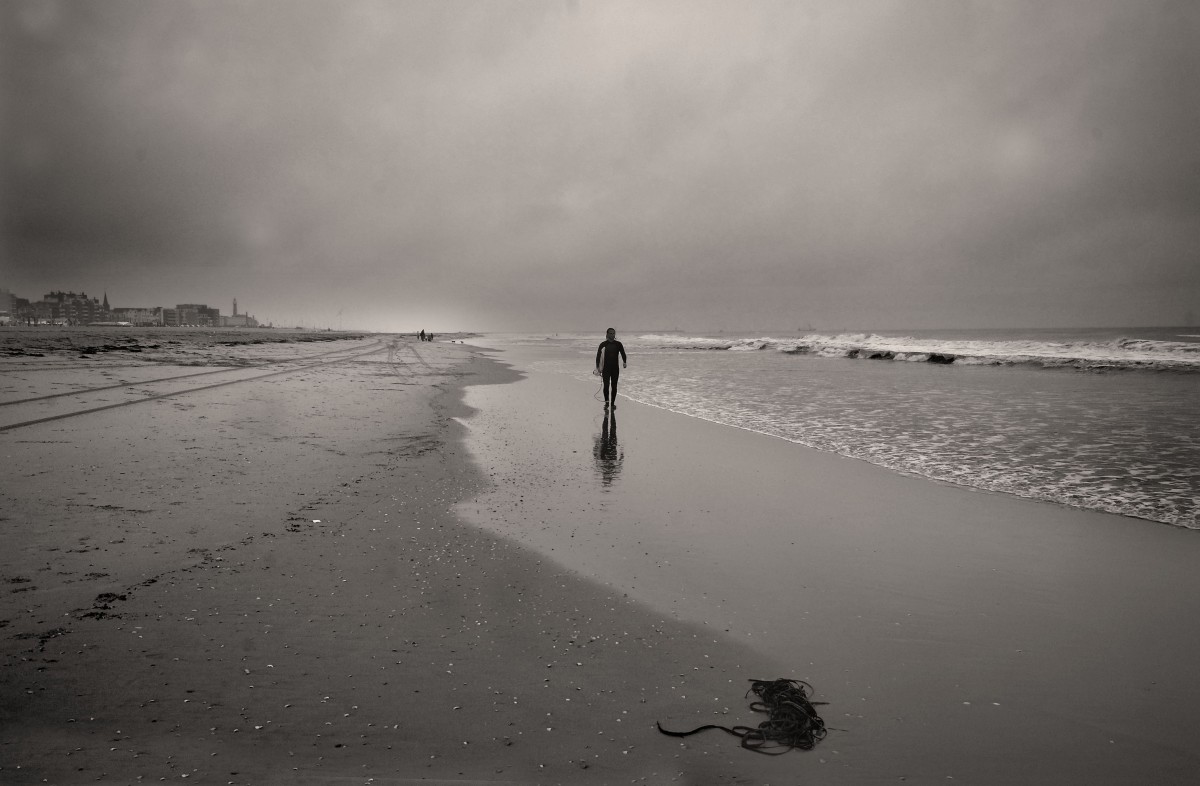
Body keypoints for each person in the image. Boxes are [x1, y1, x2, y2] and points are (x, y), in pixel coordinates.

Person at [595, 327, 627, 409]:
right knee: (606, 386)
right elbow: (598, 356)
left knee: (614, 386)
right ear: (607, 334)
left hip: (615, 368)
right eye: (610, 333)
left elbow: (623, 353)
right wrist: (597, 367)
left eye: (613, 333)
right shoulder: (603, 344)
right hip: (606, 368)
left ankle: (612, 403)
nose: (612, 335)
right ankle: (606, 402)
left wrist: (624, 362)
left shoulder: (618, 344)